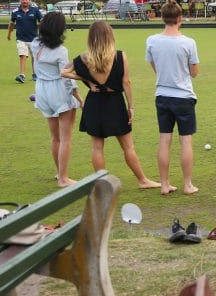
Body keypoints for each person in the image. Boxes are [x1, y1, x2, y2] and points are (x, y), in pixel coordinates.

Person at [61, 21, 159, 189]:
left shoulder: (83, 58)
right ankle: (142, 180)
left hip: (94, 103)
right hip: (115, 103)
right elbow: (126, 82)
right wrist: (131, 107)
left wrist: (86, 78)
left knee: (97, 147)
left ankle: (103, 183)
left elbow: (63, 72)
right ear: (109, 36)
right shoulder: (120, 56)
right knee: (128, 146)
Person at [145, 0, 201, 195]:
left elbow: (154, 66)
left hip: (162, 95)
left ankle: (164, 184)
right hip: (183, 96)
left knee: (164, 140)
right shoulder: (188, 42)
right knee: (185, 141)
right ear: (179, 18)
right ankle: (187, 185)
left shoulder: (152, 41)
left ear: (163, 18)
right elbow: (194, 72)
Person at [31, 11, 82, 187]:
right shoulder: (61, 51)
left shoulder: (34, 44)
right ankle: (63, 178)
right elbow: (67, 78)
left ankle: (60, 172)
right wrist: (79, 98)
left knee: (55, 138)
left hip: (42, 90)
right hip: (58, 90)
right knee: (65, 138)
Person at [7, 0, 43, 83]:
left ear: (29, 0)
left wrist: (44, 33)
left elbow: (42, 22)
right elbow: (11, 24)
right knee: (23, 55)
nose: (24, 1)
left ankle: (35, 74)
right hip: (21, 39)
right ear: (20, 0)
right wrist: (9, 34)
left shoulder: (35, 10)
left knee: (34, 57)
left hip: (34, 38)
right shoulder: (15, 11)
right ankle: (22, 75)